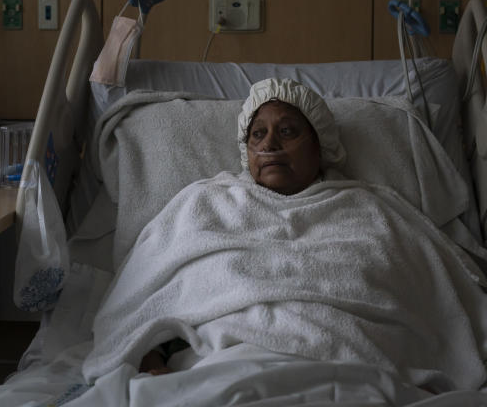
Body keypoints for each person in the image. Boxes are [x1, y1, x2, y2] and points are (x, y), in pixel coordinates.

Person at [139, 77, 344, 374]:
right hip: (214, 369)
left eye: (286, 131)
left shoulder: (366, 210)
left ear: (319, 146)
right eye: (258, 134)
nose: (269, 144)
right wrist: (153, 362)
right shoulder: (205, 203)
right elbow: (147, 294)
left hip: (338, 369)